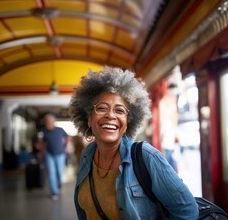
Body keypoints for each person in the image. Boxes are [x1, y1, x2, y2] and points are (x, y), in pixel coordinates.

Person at [69, 66, 198, 219]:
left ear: (128, 122)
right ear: (89, 119)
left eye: (120, 110)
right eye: (102, 108)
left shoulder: (146, 156)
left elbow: (187, 210)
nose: (111, 115)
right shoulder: (87, 156)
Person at [42, 113, 68, 200]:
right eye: (46, 122)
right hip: (49, 154)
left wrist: (66, 148)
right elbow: (44, 143)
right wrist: (42, 152)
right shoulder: (44, 131)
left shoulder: (60, 130)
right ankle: (54, 192)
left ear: (53, 122)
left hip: (60, 153)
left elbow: (67, 137)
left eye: (49, 121)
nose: (48, 123)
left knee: (59, 172)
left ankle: (58, 184)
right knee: (51, 173)